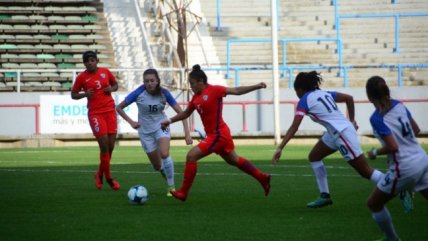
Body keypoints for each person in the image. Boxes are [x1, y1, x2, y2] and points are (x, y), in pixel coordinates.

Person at [272, 71, 384, 208]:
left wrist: (280, 147)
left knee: (365, 171)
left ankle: (396, 185)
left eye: (296, 91)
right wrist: (351, 121)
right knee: (314, 156)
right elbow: (349, 98)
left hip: (342, 134)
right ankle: (325, 196)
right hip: (335, 132)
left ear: (300, 89)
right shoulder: (325, 93)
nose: (296, 94)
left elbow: (294, 127)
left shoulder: (304, 101)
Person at [160, 64, 271, 201]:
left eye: (192, 84)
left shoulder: (215, 90)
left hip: (219, 134)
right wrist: (169, 121)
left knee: (191, 156)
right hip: (217, 135)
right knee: (234, 160)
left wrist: (257, 86)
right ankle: (262, 177)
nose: (191, 87)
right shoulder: (195, 98)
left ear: (201, 81)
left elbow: (236, 90)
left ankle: (183, 192)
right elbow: (185, 114)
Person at [365, 76, 428, 241]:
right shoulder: (399, 105)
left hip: (405, 167)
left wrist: (374, 153)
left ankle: (392, 239)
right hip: (422, 158)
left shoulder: (376, 118)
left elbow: (393, 147)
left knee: (374, 204)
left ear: (369, 96)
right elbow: (416, 129)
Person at [116, 68, 193, 196]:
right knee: (157, 166)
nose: (149, 83)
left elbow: (182, 113)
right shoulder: (138, 93)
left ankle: (171, 187)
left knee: (164, 153)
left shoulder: (164, 93)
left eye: (152, 80)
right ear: (143, 82)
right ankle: (164, 171)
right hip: (145, 132)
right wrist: (131, 122)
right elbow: (119, 107)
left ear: (157, 81)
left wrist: (187, 134)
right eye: (146, 81)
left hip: (161, 126)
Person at [71, 50, 120, 190]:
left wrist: (111, 88)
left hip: (110, 111)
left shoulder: (105, 72)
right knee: (104, 146)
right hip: (95, 114)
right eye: (87, 61)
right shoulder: (81, 77)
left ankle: (99, 174)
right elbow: (73, 94)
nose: (89, 63)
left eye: (92, 60)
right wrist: (85, 94)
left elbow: (115, 85)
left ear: (97, 61)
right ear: (84, 63)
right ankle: (109, 178)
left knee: (110, 147)